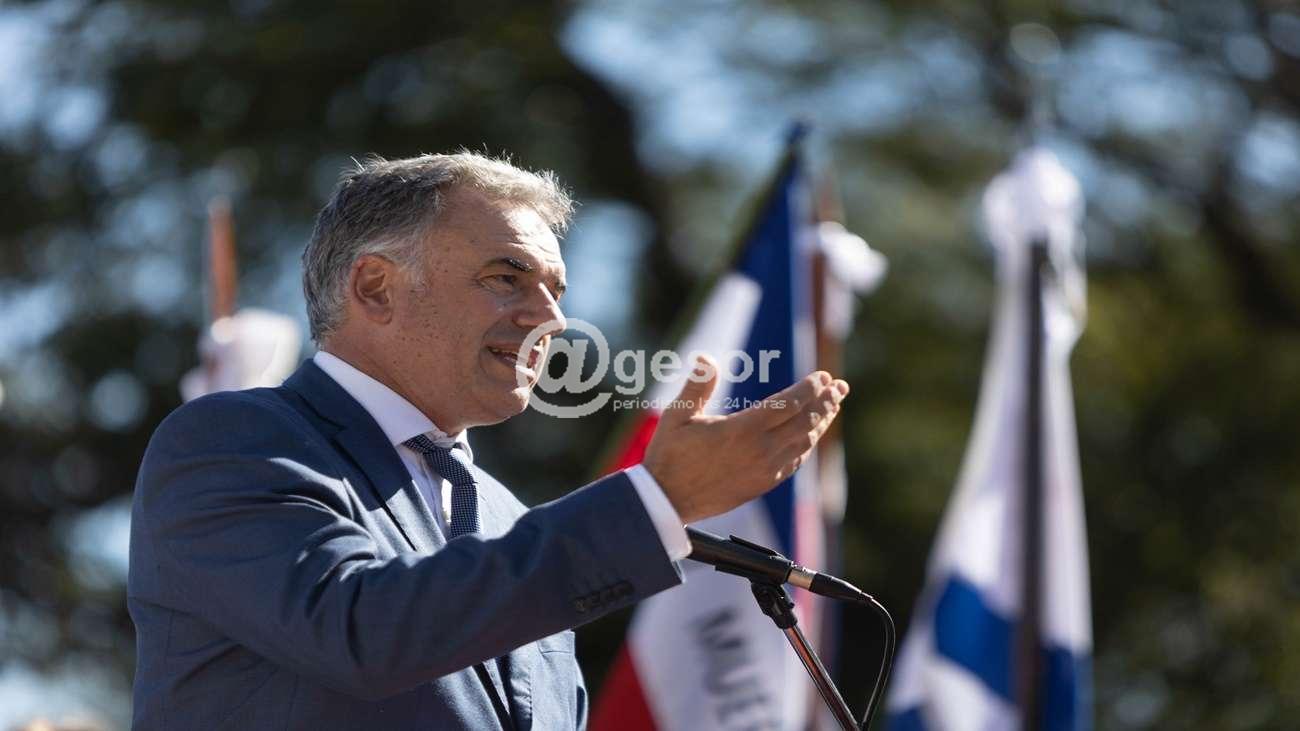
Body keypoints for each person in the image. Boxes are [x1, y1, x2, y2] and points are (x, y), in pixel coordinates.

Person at [127, 152, 849, 730]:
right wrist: (658, 502)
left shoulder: (508, 517)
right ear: (375, 287)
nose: (551, 319)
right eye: (508, 277)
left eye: (557, 290)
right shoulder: (232, 442)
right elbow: (362, 630)